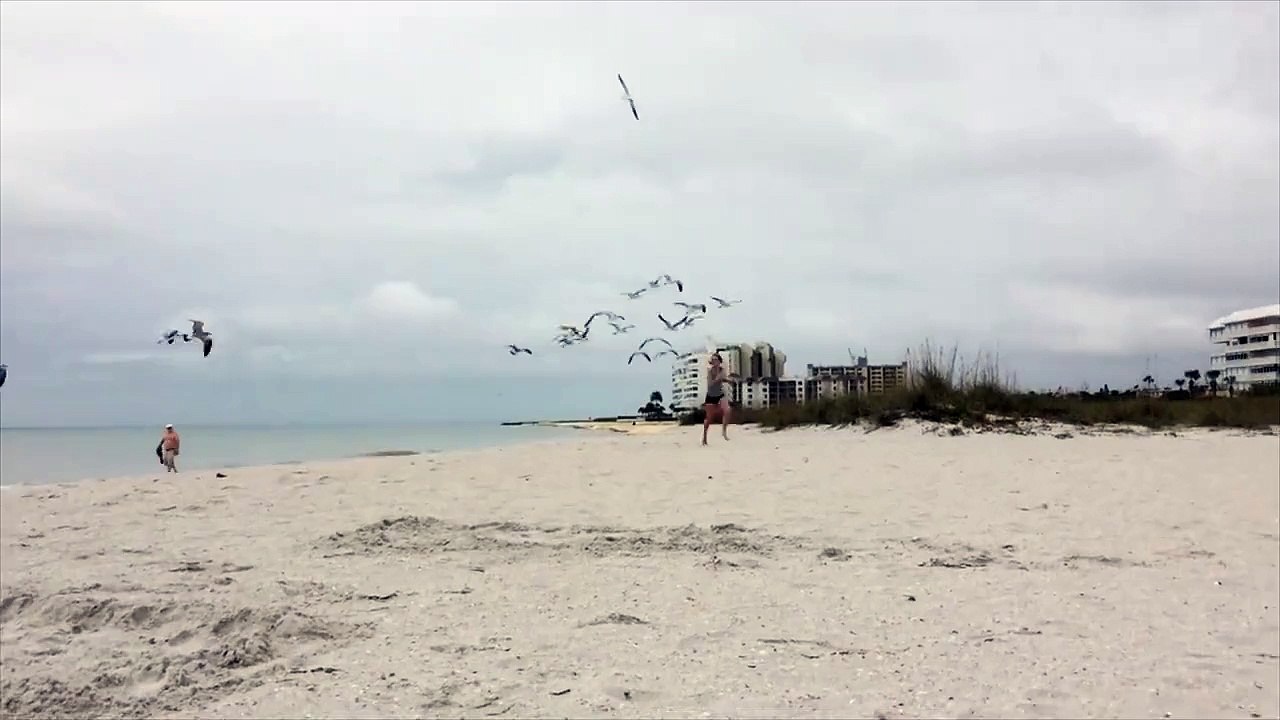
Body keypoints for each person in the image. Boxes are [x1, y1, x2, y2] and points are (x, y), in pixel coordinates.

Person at [701, 353, 736, 446]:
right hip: (711, 396)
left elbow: (723, 379)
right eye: (712, 360)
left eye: (716, 359)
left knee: (727, 410)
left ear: (719, 361)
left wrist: (729, 381)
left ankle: (724, 432)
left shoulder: (722, 370)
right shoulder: (710, 371)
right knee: (709, 419)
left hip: (720, 394)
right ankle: (704, 437)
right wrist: (717, 379)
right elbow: (710, 384)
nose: (714, 361)